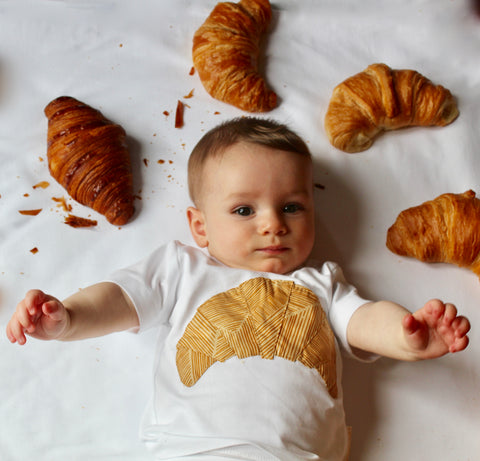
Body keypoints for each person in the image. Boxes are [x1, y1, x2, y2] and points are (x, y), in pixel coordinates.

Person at [6, 117, 471, 461]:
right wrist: (67, 317)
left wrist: (406, 336)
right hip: (192, 451)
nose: (272, 224)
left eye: (291, 206)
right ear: (200, 226)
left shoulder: (320, 284)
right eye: (244, 211)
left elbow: (364, 319)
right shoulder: (183, 268)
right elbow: (120, 299)